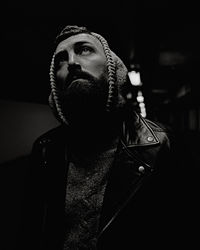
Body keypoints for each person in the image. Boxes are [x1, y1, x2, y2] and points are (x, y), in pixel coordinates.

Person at [20, 25, 185, 250]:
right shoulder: (45, 149)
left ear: (112, 69)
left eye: (84, 50)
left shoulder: (161, 145)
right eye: (60, 60)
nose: (71, 62)